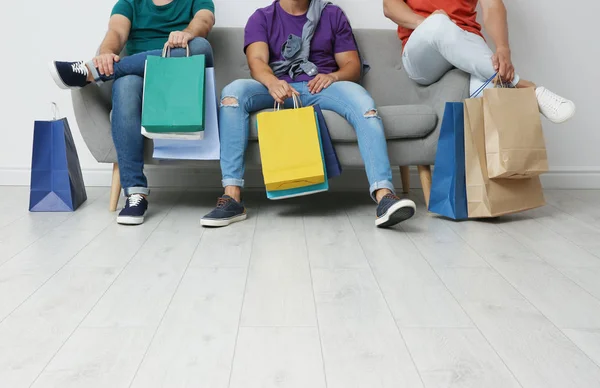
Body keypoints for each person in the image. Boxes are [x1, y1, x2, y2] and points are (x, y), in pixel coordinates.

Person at [201, 0, 417, 229]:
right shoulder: (262, 17)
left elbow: (352, 66)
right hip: (275, 87)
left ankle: (384, 196)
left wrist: (333, 76)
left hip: (321, 86)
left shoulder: (331, 14)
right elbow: (257, 62)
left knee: (365, 105)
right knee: (232, 94)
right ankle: (232, 197)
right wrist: (273, 82)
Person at [49, 0, 216, 225]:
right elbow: (116, 32)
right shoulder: (130, 2)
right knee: (125, 84)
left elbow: (204, 21)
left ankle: (92, 73)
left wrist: (186, 34)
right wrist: (106, 54)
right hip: (140, 78)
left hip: (181, 72)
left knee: (201, 46)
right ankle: (135, 193)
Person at [383, 0, 576, 124]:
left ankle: (489, 186)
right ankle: (525, 87)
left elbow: (492, 6)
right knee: (439, 24)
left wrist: (502, 48)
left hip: (466, 42)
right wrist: (425, 24)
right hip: (423, 51)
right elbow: (390, 6)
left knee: (491, 97)